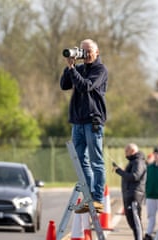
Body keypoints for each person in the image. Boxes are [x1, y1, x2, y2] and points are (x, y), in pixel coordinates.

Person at [60, 39, 108, 213]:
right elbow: (64, 85)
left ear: (97, 52)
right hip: (77, 121)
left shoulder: (100, 70)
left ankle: (97, 198)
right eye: (83, 51)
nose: (86, 54)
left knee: (96, 161)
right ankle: (88, 196)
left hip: (93, 120)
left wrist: (73, 70)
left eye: (89, 51)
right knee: (80, 161)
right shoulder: (79, 68)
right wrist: (69, 66)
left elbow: (85, 86)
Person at [113, 143, 147, 240]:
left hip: (135, 194)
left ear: (132, 151)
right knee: (131, 220)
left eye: (126, 151)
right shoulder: (133, 162)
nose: (125, 154)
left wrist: (119, 171)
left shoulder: (138, 162)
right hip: (129, 194)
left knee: (135, 219)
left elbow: (135, 176)